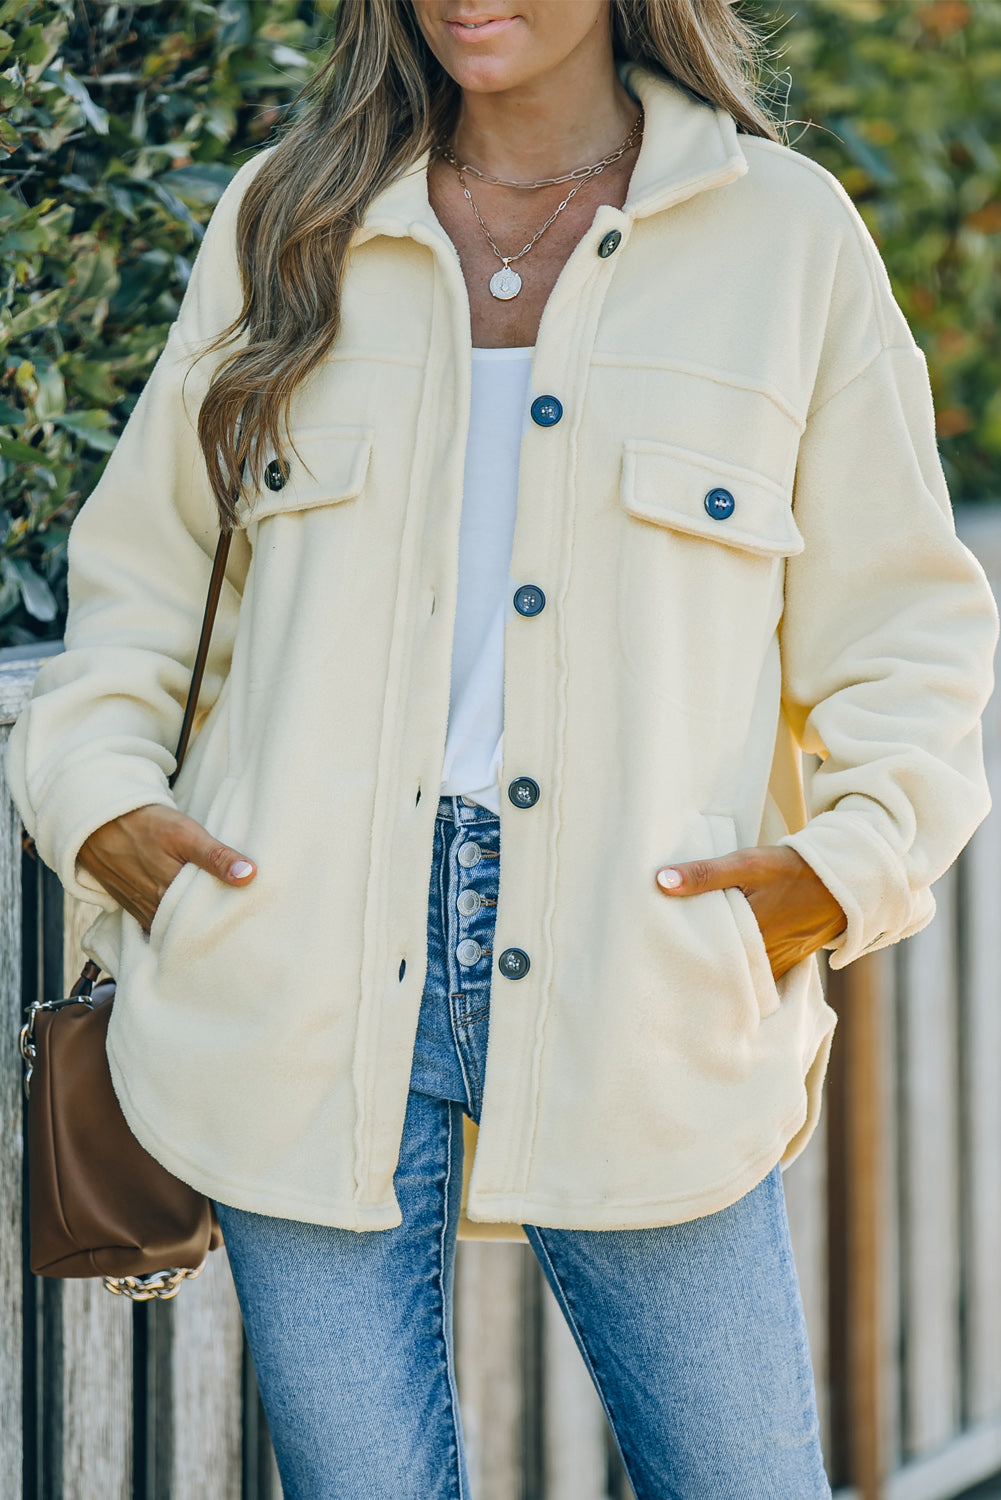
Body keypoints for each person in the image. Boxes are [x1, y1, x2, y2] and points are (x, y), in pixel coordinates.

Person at [7, 1, 997, 1495]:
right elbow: (147, 579)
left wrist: (833, 873)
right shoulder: (290, 220)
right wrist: (103, 816)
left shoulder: (782, 240)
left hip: (647, 968)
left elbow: (903, 633)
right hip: (296, 960)